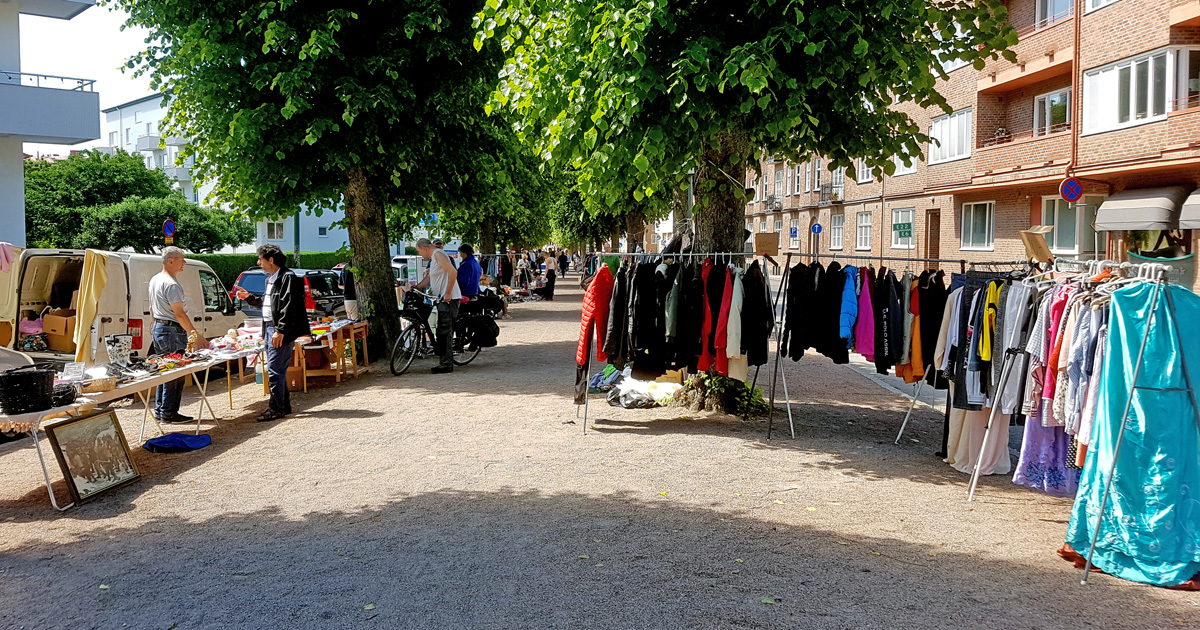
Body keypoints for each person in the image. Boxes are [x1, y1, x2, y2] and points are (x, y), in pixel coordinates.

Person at [235, 244, 311, 422]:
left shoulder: (288, 277)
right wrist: (250, 298)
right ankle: (283, 406)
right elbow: (269, 303)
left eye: (260, 259)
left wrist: (280, 330)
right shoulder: (270, 279)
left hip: (278, 330)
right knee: (277, 370)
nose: (258, 262)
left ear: (271, 259)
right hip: (270, 328)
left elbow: (288, 306)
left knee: (275, 371)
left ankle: (276, 408)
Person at [149, 247, 208, 424]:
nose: (184, 263)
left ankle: (161, 410)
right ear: (171, 261)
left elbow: (152, 309)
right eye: (181, 259)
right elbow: (179, 314)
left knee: (164, 371)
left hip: (160, 327)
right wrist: (195, 335)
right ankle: (168, 412)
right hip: (171, 331)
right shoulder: (171, 284)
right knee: (175, 372)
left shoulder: (155, 279)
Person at [414, 238, 462, 373]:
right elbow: (430, 278)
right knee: (441, 331)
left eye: (419, 251)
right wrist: (417, 287)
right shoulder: (434, 258)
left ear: (424, 248)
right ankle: (444, 361)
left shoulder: (439, 255)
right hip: (442, 299)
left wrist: (448, 293)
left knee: (445, 331)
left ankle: (446, 364)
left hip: (449, 299)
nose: (420, 255)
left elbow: (453, 272)